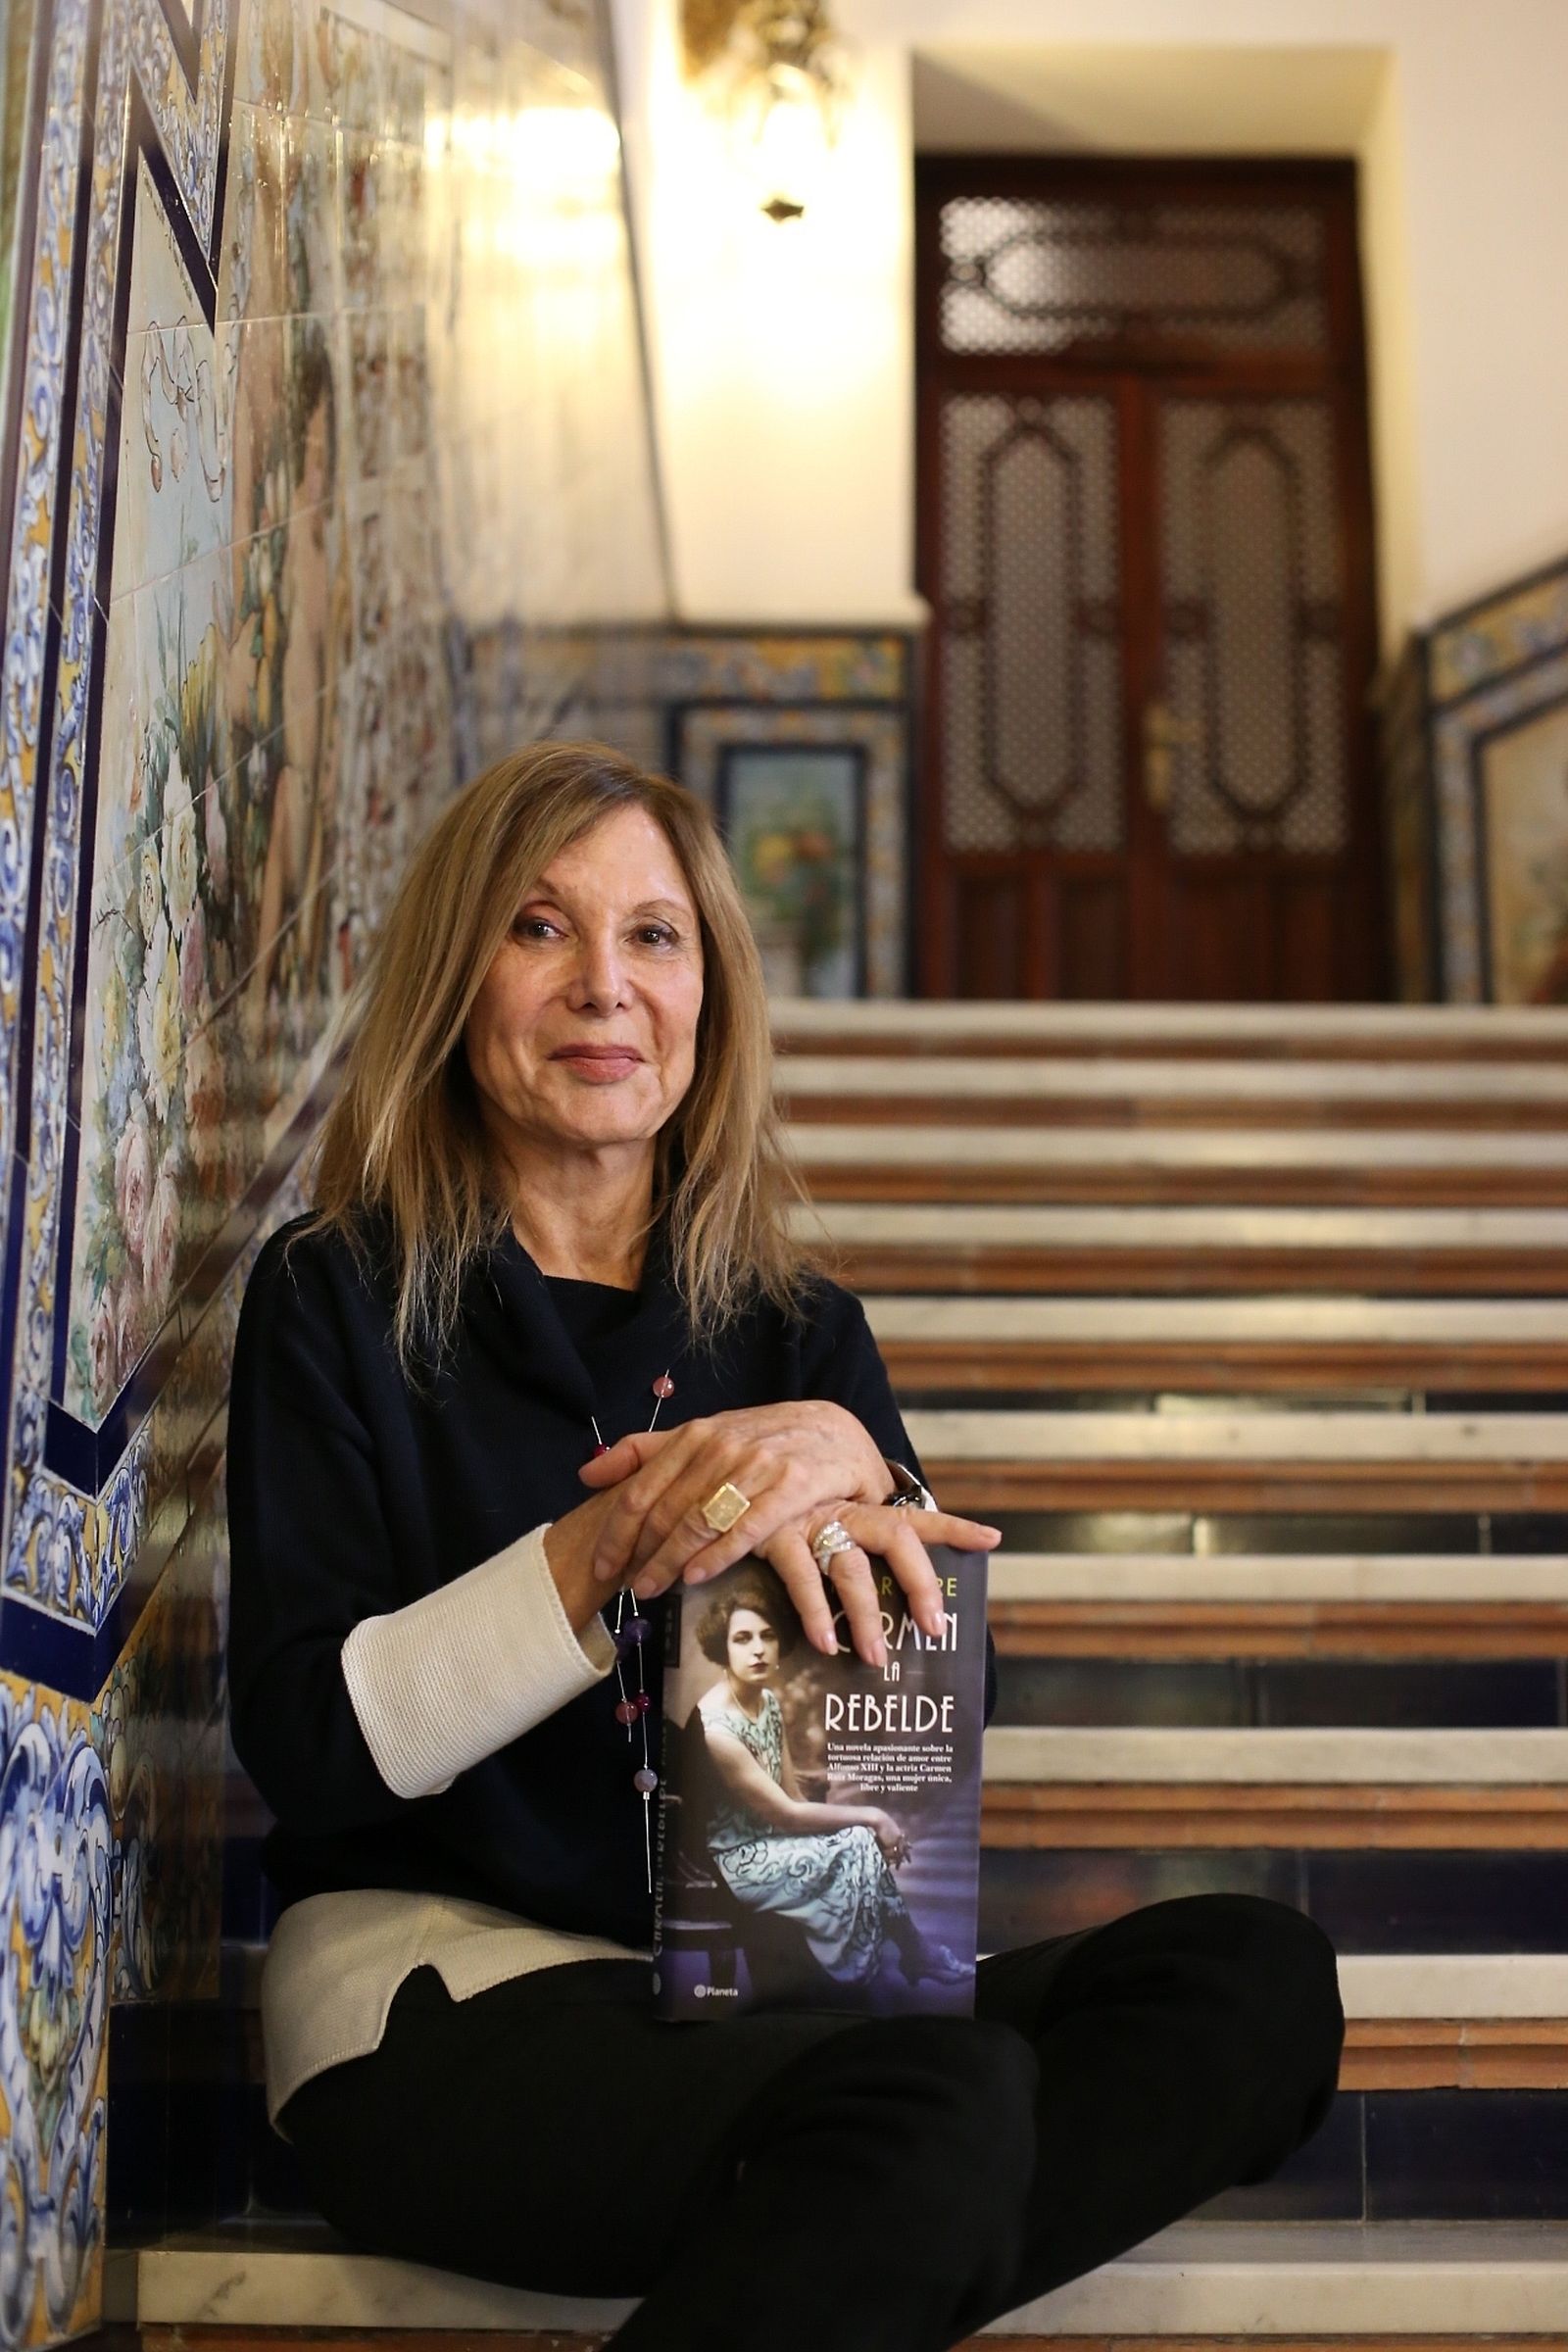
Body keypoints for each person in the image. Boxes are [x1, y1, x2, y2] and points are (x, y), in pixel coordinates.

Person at [226, 741, 1345, 2352]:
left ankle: (855, 2230)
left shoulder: (799, 1332)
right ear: (455, 980)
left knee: (1251, 1986)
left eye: (654, 936)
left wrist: (865, 1478)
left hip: (770, 2000)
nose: (604, 985)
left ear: (712, 992)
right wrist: (609, 1543)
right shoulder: (335, 1294)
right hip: (438, 2004)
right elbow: (315, 1747)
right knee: (932, 2106)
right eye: (539, 928)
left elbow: (929, 1745)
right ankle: (878, 2208)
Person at [694, 1567, 963, 1991]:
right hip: (736, 1857)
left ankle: (911, 1953)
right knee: (858, 1838)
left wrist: (856, 1824)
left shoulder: (765, 1701)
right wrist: (872, 1817)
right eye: (743, 1639)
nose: (758, 1650)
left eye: (767, 1636)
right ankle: (898, 1959)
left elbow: (790, 1790)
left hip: (769, 1837)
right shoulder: (718, 1730)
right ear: (721, 1648)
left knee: (858, 1843)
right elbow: (785, 1814)